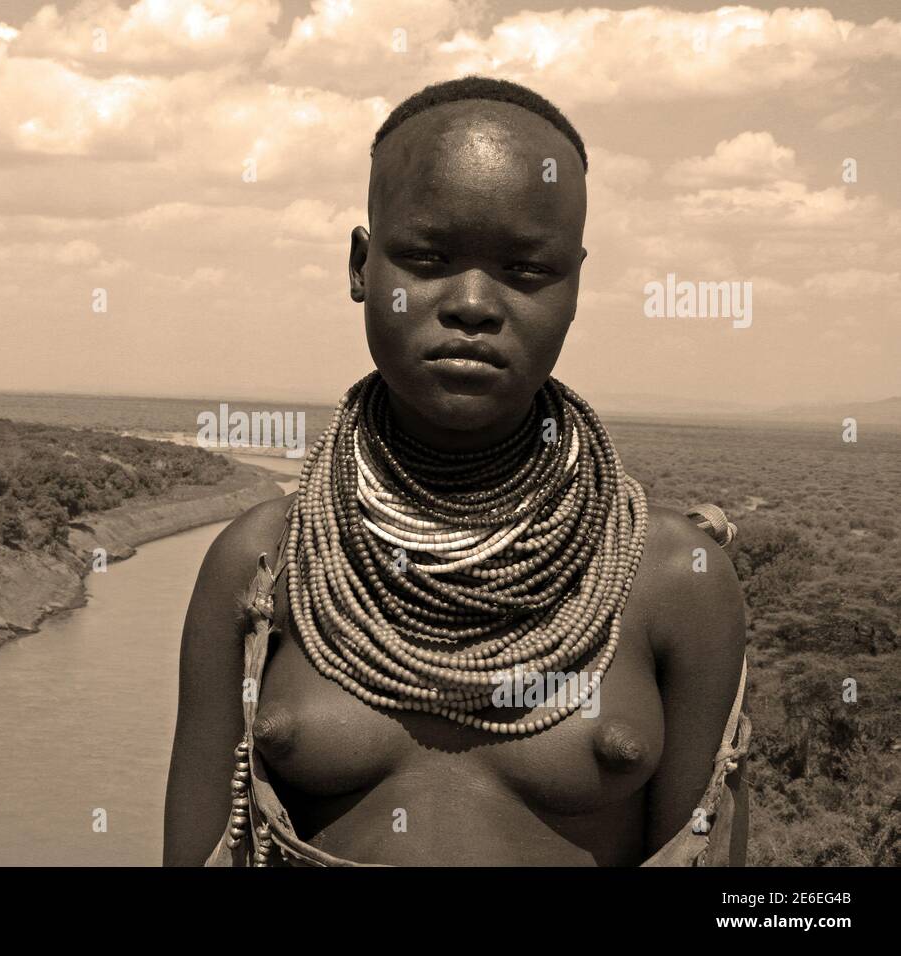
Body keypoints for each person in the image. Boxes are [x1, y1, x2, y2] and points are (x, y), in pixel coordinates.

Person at [162, 77, 750, 867]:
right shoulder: (262, 564)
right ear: (362, 267)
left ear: (575, 286)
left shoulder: (679, 579)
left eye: (527, 269)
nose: (473, 303)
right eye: (429, 258)